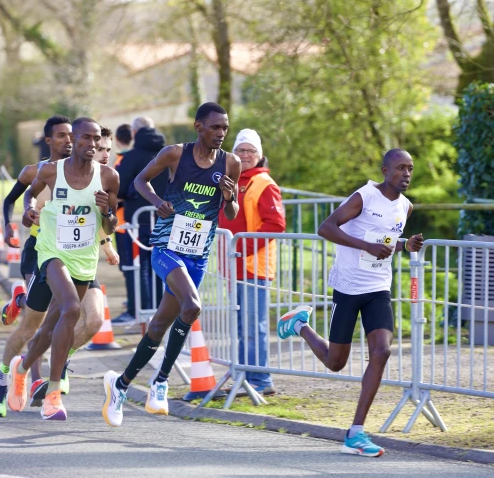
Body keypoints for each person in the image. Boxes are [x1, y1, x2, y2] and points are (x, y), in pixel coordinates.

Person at [277, 149, 424, 457]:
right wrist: (366, 245)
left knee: (382, 351)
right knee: (335, 362)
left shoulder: (406, 207)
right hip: (348, 286)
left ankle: (355, 432)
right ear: (385, 170)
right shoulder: (364, 196)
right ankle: (299, 324)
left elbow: (384, 241)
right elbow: (326, 227)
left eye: (410, 169)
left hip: (378, 287)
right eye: (400, 168)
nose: (407, 174)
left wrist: (403, 245)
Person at [102, 102, 241, 427]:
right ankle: (161, 382)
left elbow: (231, 215)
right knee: (192, 306)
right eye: (215, 127)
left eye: (225, 128)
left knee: (161, 323)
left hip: (198, 253)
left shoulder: (231, 163)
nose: (221, 133)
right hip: (166, 246)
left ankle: (119, 385)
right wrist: (157, 202)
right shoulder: (175, 154)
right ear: (198, 126)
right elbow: (138, 181)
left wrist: (231, 197)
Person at [7, 117, 119, 421]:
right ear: (74, 140)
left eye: (96, 140)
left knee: (50, 328)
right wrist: (30, 209)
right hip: (52, 251)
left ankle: (22, 367)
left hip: (84, 257)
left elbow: (111, 225)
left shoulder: (108, 177)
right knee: (71, 309)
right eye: (85, 138)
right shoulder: (51, 171)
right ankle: (53, 395)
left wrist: (106, 210)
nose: (91, 145)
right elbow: (30, 193)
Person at [0, 115, 73, 418]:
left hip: (74, 254)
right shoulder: (35, 171)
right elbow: (13, 200)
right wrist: (11, 226)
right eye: (61, 135)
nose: (68, 140)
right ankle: (1, 381)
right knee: (32, 325)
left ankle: (57, 368)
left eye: (70, 135)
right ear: (48, 140)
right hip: (39, 251)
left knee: (85, 318)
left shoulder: (85, 173)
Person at [218, 129, 285, 396]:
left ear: (259, 155)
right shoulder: (231, 180)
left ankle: (260, 379)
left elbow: (275, 224)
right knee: (241, 324)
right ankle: (245, 375)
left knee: (253, 324)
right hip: (233, 264)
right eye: (241, 150)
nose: (245, 155)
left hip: (251, 265)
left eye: (251, 151)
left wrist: (240, 248)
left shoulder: (263, 183)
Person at [112, 116, 167, 324]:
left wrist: (128, 193)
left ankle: (139, 312)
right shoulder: (169, 153)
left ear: (134, 133)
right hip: (165, 219)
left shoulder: (132, 157)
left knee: (138, 266)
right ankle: (160, 313)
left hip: (137, 220)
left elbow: (119, 187)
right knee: (162, 265)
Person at [111, 124, 135, 321]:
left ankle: (134, 305)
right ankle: (133, 301)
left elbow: (117, 193)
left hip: (124, 223)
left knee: (128, 266)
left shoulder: (122, 162)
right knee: (129, 266)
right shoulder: (132, 159)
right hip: (125, 222)